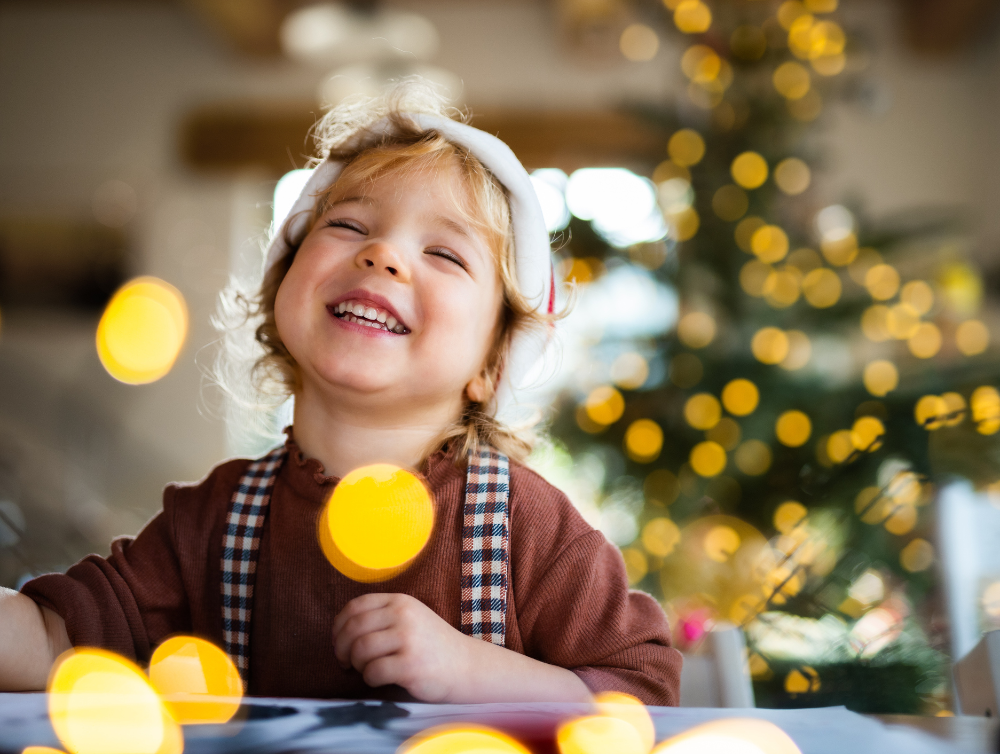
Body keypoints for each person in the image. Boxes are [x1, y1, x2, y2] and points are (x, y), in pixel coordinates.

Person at [0, 81, 682, 705]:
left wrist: (475, 672)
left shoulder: (525, 530)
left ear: (491, 364)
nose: (381, 255)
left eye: (444, 254)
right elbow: (57, 642)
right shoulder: (210, 524)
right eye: (348, 226)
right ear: (280, 293)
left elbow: (642, 695)